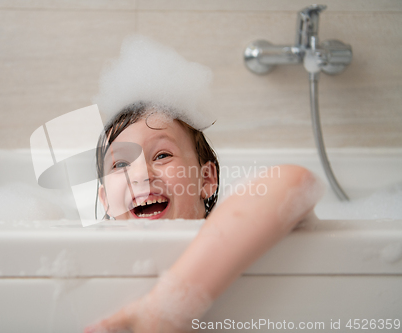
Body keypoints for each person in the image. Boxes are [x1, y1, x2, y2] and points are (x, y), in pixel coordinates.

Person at [84, 101, 324, 333]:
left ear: (207, 179)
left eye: (162, 155)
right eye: (121, 163)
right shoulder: (92, 254)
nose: (141, 175)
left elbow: (295, 181)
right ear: (105, 200)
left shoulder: (236, 230)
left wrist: (168, 309)